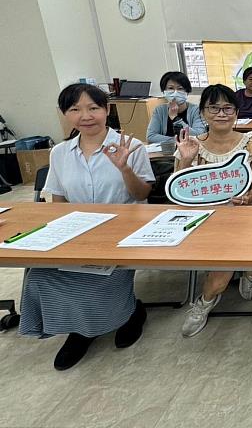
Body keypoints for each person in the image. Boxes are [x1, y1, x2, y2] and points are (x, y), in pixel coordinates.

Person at [23, 83, 154, 370]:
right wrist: (58, 237)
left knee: (98, 282)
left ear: (107, 110)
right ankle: (80, 328)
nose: (86, 115)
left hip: (123, 231)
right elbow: (59, 200)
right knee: (40, 275)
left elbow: (142, 194)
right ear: (65, 114)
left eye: (93, 108)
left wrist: (124, 168)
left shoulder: (131, 147)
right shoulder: (59, 153)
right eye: (75, 109)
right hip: (78, 231)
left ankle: (128, 314)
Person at [175, 84, 252, 338]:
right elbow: (177, 191)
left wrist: (249, 197)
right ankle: (211, 296)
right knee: (223, 269)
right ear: (203, 113)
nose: (221, 114)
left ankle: (244, 275)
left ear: (236, 112)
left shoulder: (251, 144)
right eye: (213, 108)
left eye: (228, 108)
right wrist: (184, 160)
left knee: (235, 259)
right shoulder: (191, 146)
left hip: (243, 218)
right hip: (204, 220)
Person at [146, 71, 205, 143]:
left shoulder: (196, 110)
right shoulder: (159, 110)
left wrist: (175, 119)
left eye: (180, 88)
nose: (175, 92)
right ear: (164, 91)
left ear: (187, 91)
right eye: (170, 88)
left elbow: (199, 135)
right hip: (165, 151)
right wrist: (177, 140)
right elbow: (151, 136)